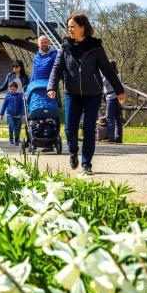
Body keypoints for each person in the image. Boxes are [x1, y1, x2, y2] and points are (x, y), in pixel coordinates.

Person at [47, 13, 125, 174]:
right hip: (72, 93)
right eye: (68, 27)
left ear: (82, 27)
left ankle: (86, 163)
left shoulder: (95, 47)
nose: (69, 29)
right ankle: (73, 152)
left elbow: (107, 69)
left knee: (89, 128)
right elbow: (57, 68)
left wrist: (119, 90)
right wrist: (51, 87)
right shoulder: (65, 46)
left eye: (73, 26)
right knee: (70, 128)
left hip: (93, 94)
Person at [103, 60, 124, 143]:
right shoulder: (118, 75)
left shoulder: (108, 75)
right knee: (117, 118)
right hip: (118, 97)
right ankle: (119, 138)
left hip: (110, 97)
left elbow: (102, 83)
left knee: (110, 118)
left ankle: (111, 137)